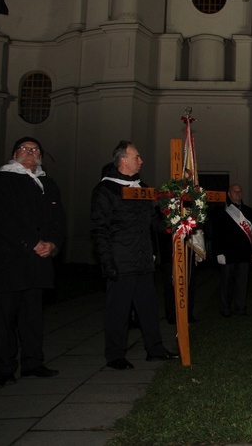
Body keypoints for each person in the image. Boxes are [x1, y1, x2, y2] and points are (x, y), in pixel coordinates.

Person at [90, 141, 179, 370]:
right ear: (123, 160)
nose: (141, 161)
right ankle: (115, 355)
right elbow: (100, 229)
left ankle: (155, 349)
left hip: (143, 260)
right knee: (118, 311)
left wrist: (175, 221)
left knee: (149, 308)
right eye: (137, 157)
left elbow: (155, 223)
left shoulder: (143, 189)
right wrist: (106, 261)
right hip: (121, 261)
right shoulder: (106, 190)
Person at [0, 137, 66, 386]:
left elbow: (58, 219)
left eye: (35, 150)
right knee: (6, 318)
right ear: (14, 154)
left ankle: (32, 363)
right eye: (25, 149)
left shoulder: (48, 184)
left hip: (38, 261)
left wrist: (52, 244)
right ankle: (6, 369)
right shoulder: (2, 180)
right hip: (11, 261)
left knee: (33, 317)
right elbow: (2, 218)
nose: (30, 152)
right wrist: (31, 243)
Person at [211, 183, 252, 317]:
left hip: (244, 254)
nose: (238, 193)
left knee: (242, 283)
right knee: (226, 282)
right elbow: (216, 234)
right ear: (229, 194)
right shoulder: (221, 211)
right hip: (228, 254)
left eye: (240, 191)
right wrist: (218, 252)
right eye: (235, 191)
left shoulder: (248, 211)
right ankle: (225, 307)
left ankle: (240, 308)